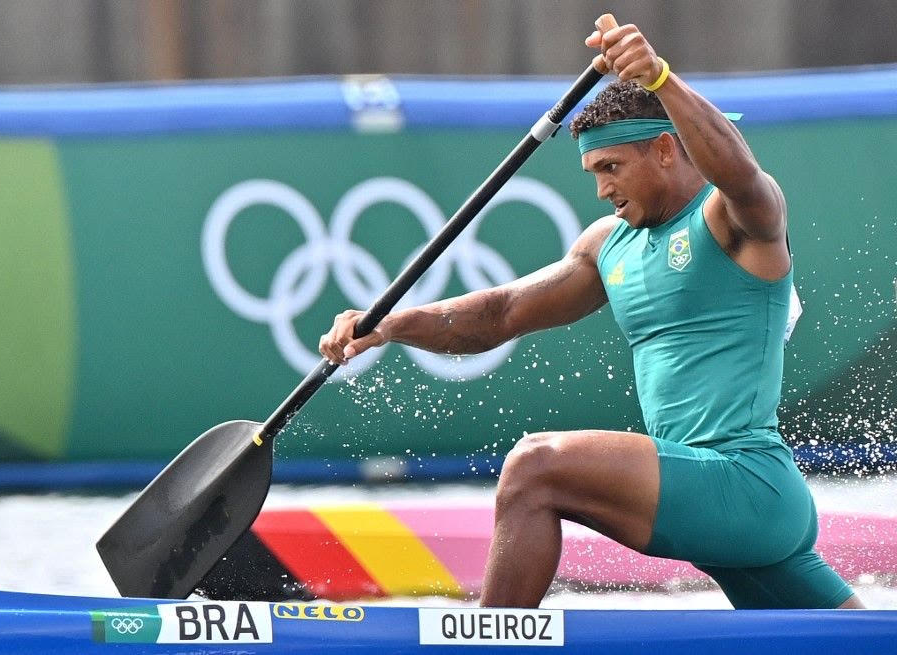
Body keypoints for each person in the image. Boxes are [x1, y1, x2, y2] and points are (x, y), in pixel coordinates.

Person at [318, 16, 862, 610]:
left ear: (662, 149)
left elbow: (740, 172)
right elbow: (501, 313)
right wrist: (390, 324)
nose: (601, 189)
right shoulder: (609, 244)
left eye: (611, 168)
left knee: (534, 468)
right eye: (593, 172)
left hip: (742, 483)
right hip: (718, 502)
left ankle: (488, 644)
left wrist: (659, 78)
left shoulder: (733, 220)